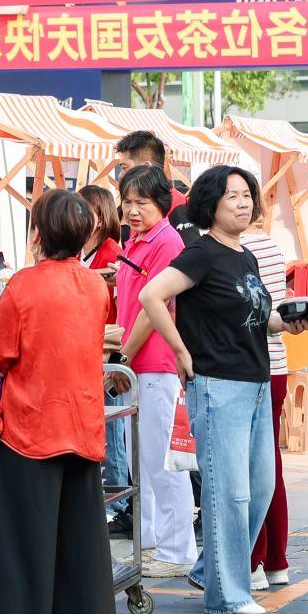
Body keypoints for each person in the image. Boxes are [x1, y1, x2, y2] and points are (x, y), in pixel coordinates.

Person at [0, 190, 120, 614]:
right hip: (82, 425)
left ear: (39, 234)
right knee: (75, 548)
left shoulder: (24, 285)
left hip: (31, 426)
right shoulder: (94, 285)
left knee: (14, 551)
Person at [128, 165, 308, 614]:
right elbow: (152, 296)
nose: (244, 203)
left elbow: (256, 319)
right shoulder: (202, 252)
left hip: (256, 382)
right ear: (211, 204)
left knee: (260, 488)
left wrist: (286, 322)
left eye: (247, 194)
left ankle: (210, 567)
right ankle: (227, 594)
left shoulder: (245, 256)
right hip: (217, 385)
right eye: (233, 196)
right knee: (229, 492)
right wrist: (180, 350)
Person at [113, 166, 197, 578]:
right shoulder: (137, 240)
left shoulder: (166, 241)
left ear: (161, 204)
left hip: (155, 363)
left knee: (164, 463)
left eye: (141, 203)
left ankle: (177, 551)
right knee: (142, 462)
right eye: (127, 202)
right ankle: (148, 542)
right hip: (136, 364)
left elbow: (155, 307)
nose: (132, 210)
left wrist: (123, 357)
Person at [240, 222, 296, 590]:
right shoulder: (271, 247)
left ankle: (254, 560)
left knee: (249, 469)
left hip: (249, 366)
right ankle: (275, 560)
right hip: (274, 364)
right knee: (268, 464)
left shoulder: (233, 249)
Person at [116, 132, 194, 242]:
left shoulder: (177, 203)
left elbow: (189, 249)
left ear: (147, 166)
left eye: (124, 167)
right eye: (128, 202)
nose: (120, 175)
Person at [78, 185, 125, 315]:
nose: (75, 217)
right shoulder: (74, 249)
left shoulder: (114, 255)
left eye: (83, 212)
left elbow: (120, 311)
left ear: (101, 220)